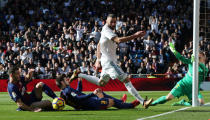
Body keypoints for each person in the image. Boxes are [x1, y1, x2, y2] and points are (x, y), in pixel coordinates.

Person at [69, 14, 153, 109]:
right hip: (110, 62)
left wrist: (98, 59)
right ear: (106, 21)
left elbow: (99, 45)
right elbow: (118, 40)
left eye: (114, 22)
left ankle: (79, 75)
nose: (113, 23)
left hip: (106, 61)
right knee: (126, 80)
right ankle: (143, 102)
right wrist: (135, 35)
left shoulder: (105, 30)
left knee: (101, 83)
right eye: (111, 22)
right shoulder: (107, 31)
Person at [151, 41, 208, 106]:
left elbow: (200, 66)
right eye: (197, 57)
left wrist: (195, 61)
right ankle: (152, 103)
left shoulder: (204, 68)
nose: (198, 58)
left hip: (193, 89)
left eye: (199, 57)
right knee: (168, 97)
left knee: (201, 102)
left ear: (204, 58)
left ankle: (183, 103)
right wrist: (174, 51)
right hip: (183, 84)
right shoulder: (191, 62)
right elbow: (181, 58)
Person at [55, 74, 141, 110]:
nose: (67, 79)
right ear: (62, 82)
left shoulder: (65, 91)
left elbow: (78, 93)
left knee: (101, 93)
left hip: (89, 102)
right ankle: (131, 105)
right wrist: (93, 93)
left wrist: (79, 82)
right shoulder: (67, 90)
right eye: (65, 79)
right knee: (112, 102)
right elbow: (78, 98)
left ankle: (121, 101)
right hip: (91, 104)